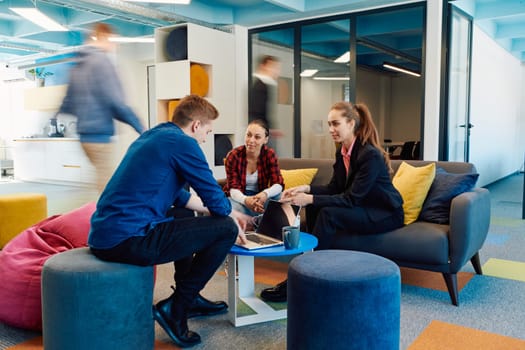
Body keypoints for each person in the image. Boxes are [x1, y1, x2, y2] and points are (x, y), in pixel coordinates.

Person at [88, 95, 250, 348]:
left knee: (185, 215)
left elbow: (180, 197)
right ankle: (176, 308)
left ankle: (190, 297)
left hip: (105, 236)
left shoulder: (155, 136)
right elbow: (216, 200)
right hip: (128, 239)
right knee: (226, 228)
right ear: (196, 125)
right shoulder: (184, 144)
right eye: (207, 130)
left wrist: (223, 211)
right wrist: (231, 215)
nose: (206, 138)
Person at [260, 101, 404, 302]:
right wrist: (306, 188)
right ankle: (310, 273)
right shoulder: (342, 152)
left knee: (327, 213)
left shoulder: (369, 155)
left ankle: (302, 280)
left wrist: (309, 198)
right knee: (316, 206)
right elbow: (334, 189)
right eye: (329, 124)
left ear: (351, 123)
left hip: (384, 213)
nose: (331, 130)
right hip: (362, 206)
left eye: (336, 124)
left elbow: (351, 198)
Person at [58, 22, 145, 192]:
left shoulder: (77, 64)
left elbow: (68, 101)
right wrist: (141, 127)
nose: (115, 45)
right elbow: (116, 101)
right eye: (113, 40)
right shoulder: (102, 62)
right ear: (102, 37)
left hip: (84, 137)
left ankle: (93, 213)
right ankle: (93, 216)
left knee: (102, 181)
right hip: (100, 136)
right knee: (107, 187)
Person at [223, 119, 284, 217]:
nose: (251, 140)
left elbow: (278, 184)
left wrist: (265, 194)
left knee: (281, 197)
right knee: (230, 208)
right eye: (248, 135)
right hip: (239, 198)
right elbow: (233, 188)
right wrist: (246, 200)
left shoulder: (269, 154)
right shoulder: (234, 155)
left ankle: (257, 219)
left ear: (265, 139)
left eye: (257, 137)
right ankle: (257, 219)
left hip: (260, 196)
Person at [249, 55, 282, 139]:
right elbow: (257, 112)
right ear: (263, 67)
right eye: (273, 68)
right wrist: (269, 129)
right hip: (260, 133)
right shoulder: (259, 86)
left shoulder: (264, 85)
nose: (276, 71)